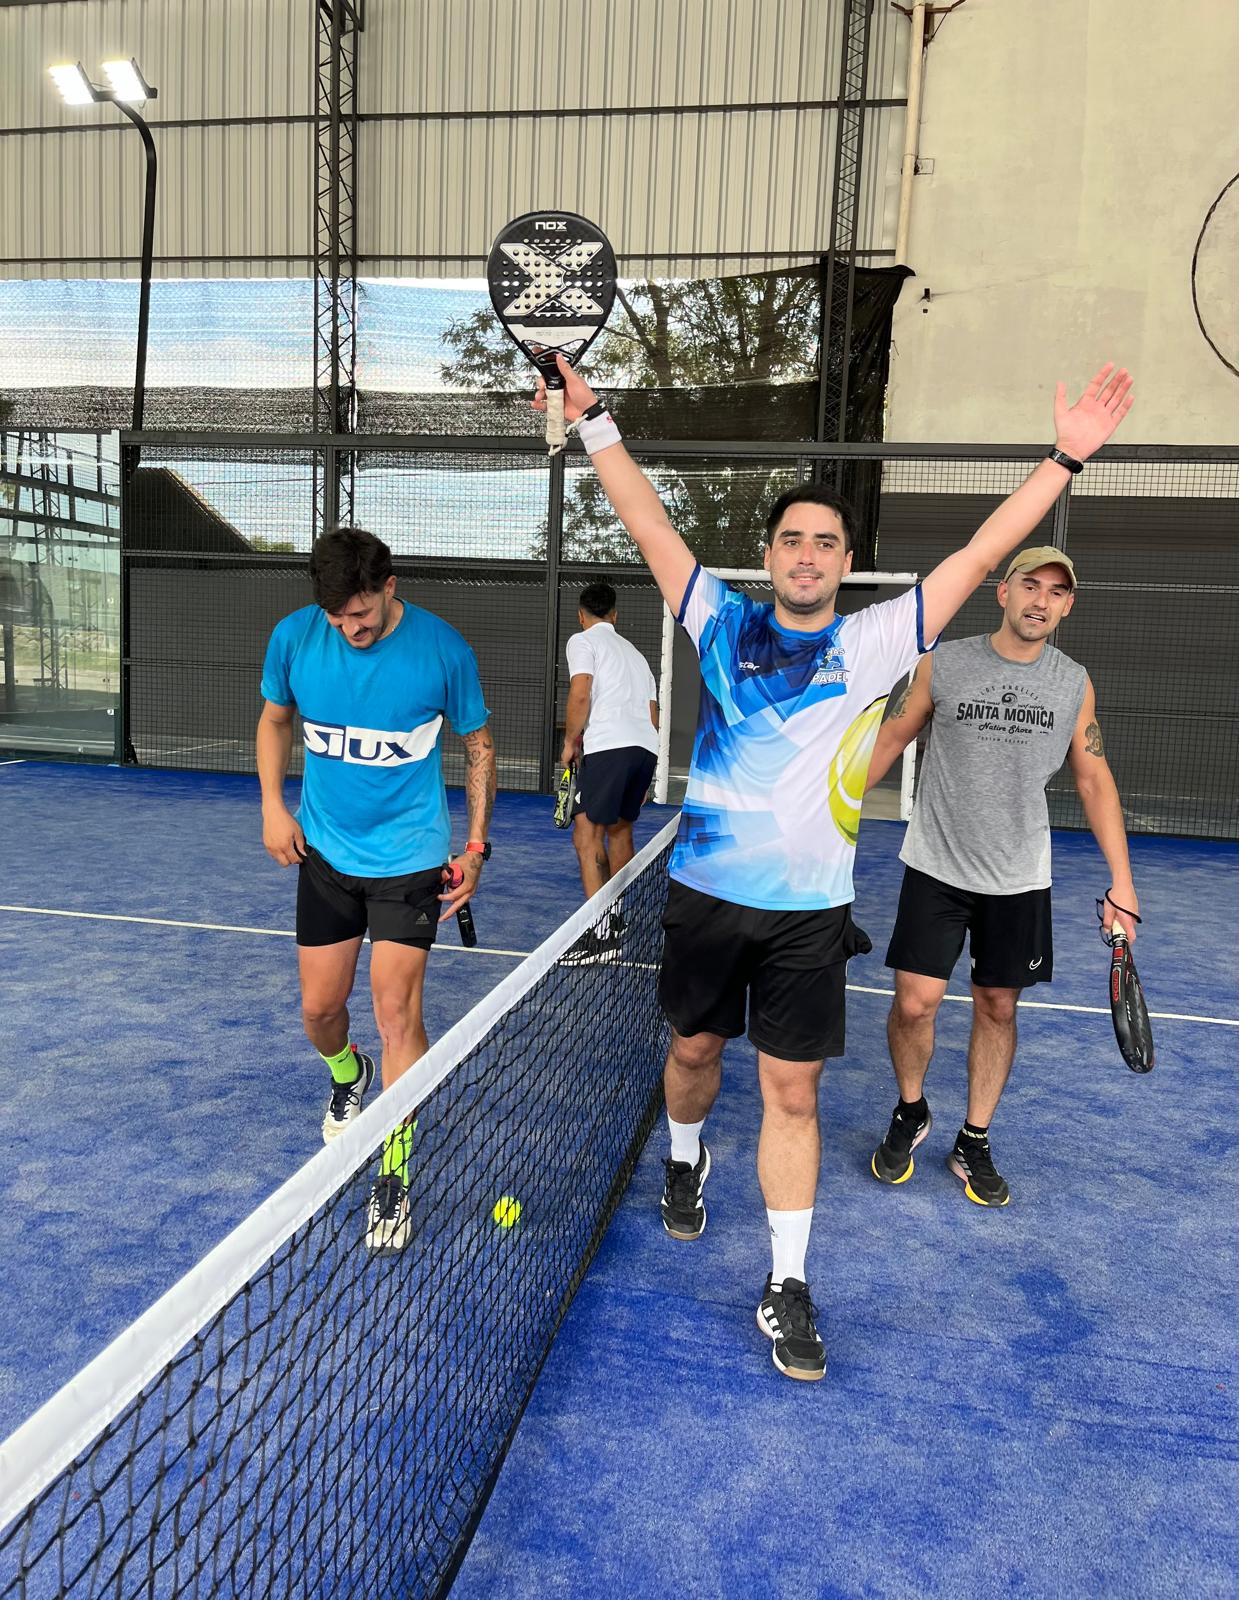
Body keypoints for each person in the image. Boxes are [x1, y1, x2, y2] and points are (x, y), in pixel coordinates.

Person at [535, 356, 1133, 1381]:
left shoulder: (876, 640)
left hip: (811, 915)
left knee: (795, 1093)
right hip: (709, 897)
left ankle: (788, 1283)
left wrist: (1065, 456)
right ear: (767, 554)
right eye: (790, 539)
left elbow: (986, 545)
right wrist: (593, 421)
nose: (807, 554)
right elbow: (644, 518)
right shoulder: (718, 621)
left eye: (825, 541)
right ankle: (683, 1160)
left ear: (847, 558)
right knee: (690, 1058)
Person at [863, 546, 1139, 1207]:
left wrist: (1121, 883)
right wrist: (817, 816)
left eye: (1055, 592)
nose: (1040, 600)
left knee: (997, 1006)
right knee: (913, 1004)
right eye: (1029, 585)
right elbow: (886, 740)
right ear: (1002, 592)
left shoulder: (1072, 682)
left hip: (1018, 876)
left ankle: (973, 1138)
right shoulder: (943, 664)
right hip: (935, 864)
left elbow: (1092, 777)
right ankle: (908, 1111)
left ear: (1067, 605)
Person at [257, 527, 496, 1252]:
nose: (351, 631)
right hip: (325, 855)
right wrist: (272, 804)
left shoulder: (443, 650)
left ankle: (392, 1171)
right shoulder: (296, 638)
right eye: (338, 620)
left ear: (389, 588)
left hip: (409, 859)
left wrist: (477, 845)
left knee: (398, 1012)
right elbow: (274, 721)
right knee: (320, 1009)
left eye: (360, 616)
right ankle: (347, 1071)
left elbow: (478, 744)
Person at [559, 580, 659, 964]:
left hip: (608, 746)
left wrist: (570, 742)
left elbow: (580, 692)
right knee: (619, 829)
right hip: (643, 750)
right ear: (615, 615)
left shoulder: (582, 640)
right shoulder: (636, 654)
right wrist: (645, 774)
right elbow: (653, 715)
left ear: (581, 615)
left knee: (585, 838)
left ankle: (601, 935)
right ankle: (615, 918)